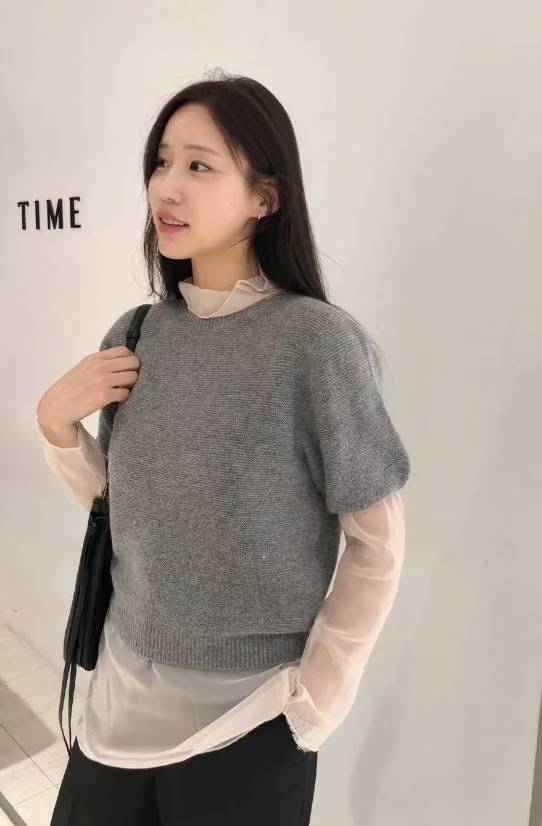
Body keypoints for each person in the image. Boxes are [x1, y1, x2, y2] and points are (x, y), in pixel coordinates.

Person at [37, 68, 411, 825]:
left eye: (199, 166)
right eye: (161, 162)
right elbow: (130, 506)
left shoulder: (315, 344)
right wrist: (55, 426)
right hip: (118, 700)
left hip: (251, 713)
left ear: (265, 197)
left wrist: (315, 704)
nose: (166, 187)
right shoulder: (138, 333)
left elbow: (378, 544)